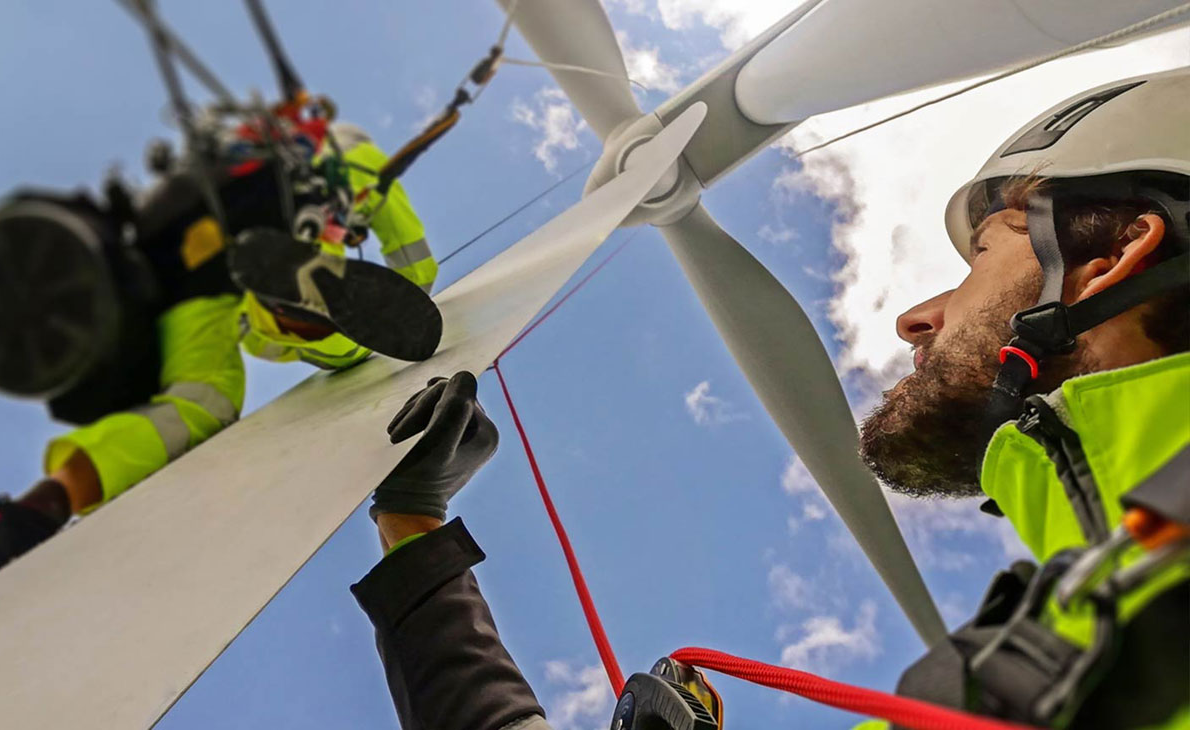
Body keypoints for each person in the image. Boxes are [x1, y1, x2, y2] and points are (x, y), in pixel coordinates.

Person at [350, 68, 1189, 729]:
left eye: (980, 255)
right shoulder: (1061, 657)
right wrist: (413, 525)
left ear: (1113, 254)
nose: (914, 319)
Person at [0, 104, 440, 596]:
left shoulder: (225, 150)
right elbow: (414, 276)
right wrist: (414, 283)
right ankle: (296, 308)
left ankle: (32, 512)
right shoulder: (351, 157)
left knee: (196, 404)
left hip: (179, 255)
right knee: (348, 348)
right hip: (271, 224)